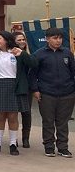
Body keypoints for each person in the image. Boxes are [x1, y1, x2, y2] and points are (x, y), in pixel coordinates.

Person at [0, 31, 36, 156]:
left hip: (15, 85)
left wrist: (22, 54)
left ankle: (13, 144)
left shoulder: (17, 52)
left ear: (7, 40)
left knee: (13, 116)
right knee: (0, 116)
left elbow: (33, 64)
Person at [29, 27, 75, 158]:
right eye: (55, 38)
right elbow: (32, 74)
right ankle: (49, 147)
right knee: (48, 121)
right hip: (47, 93)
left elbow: (73, 72)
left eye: (60, 38)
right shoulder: (39, 54)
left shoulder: (67, 53)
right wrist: (35, 89)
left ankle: (63, 147)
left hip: (67, 93)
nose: (58, 41)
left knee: (63, 122)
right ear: (47, 39)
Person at [12, 30, 34, 148]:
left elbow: (33, 64)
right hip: (14, 87)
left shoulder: (27, 54)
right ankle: (13, 138)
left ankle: (26, 138)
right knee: (13, 113)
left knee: (26, 113)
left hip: (27, 88)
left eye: (23, 39)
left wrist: (23, 54)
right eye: (19, 40)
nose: (22, 42)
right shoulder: (11, 54)